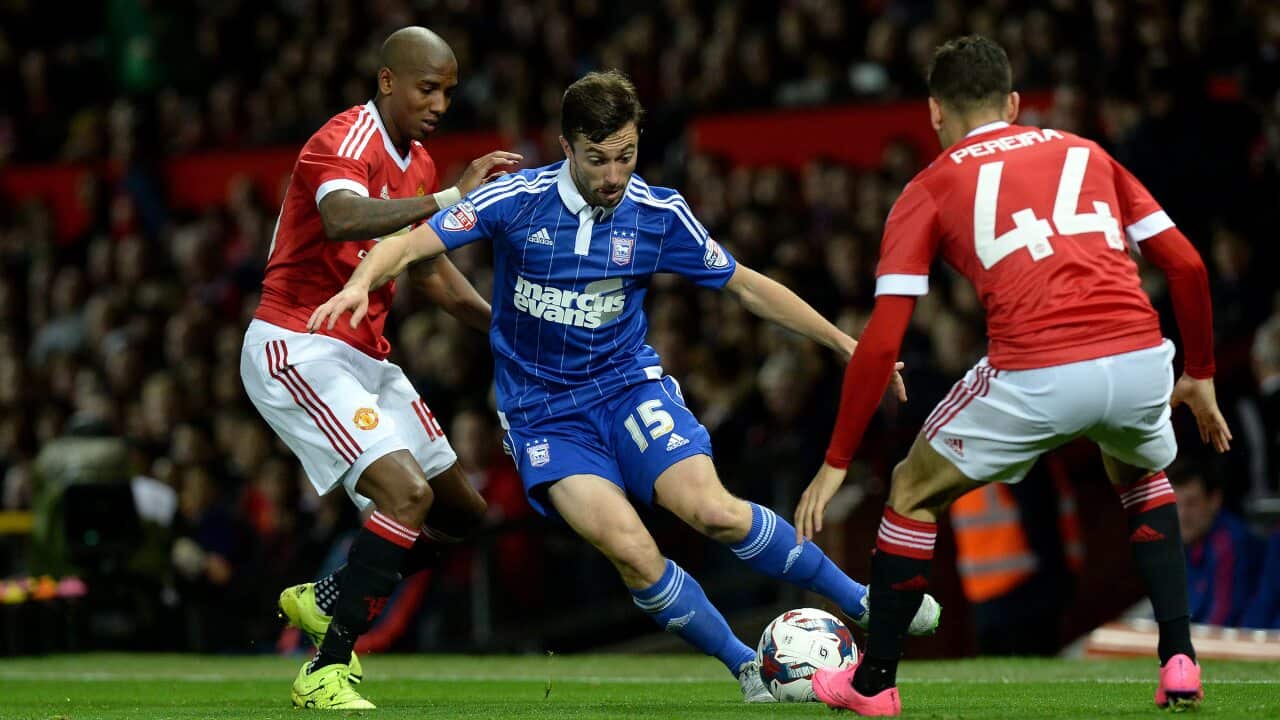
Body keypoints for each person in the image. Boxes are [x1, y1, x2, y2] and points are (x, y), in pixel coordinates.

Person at [308, 70, 942, 703]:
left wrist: (845, 344)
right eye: (599, 159)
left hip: (627, 391)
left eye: (627, 156)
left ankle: (863, 601)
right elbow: (408, 244)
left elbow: (746, 284)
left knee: (713, 511)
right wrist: (362, 282)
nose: (615, 175)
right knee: (633, 552)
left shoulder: (658, 213)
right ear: (566, 148)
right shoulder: (515, 201)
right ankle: (750, 669)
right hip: (544, 418)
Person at [793, 36, 1232, 715]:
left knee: (911, 487)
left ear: (935, 112)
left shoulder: (931, 183)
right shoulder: (1088, 151)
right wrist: (1199, 371)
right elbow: (1189, 267)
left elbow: (882, 342)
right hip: (1143, 354)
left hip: (1040, 369)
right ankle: (1179, 661)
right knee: (1140, 473)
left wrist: (836, 460)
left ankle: (873, 684)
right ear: (1016, 104)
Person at [239, 26, 521, 710]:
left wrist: (514, 331)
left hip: (365, 354)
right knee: (407, 497)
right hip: (298, 342)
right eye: (429, 88)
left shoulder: (419, 163)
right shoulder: (342, 141)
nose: (441, 104)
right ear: (388, 80)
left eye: (450, 92)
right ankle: (326, 668)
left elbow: (430, 277)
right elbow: (342, 219)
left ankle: (329, 595)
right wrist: (453, 200)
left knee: (461, 512)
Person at [1172, 463, 1261, 626]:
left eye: (1191, 503)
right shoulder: (1188, 539)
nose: (1182, 515)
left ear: (1214, 500)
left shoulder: (1228, 542)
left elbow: (1220, 620)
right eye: (1175, 504)